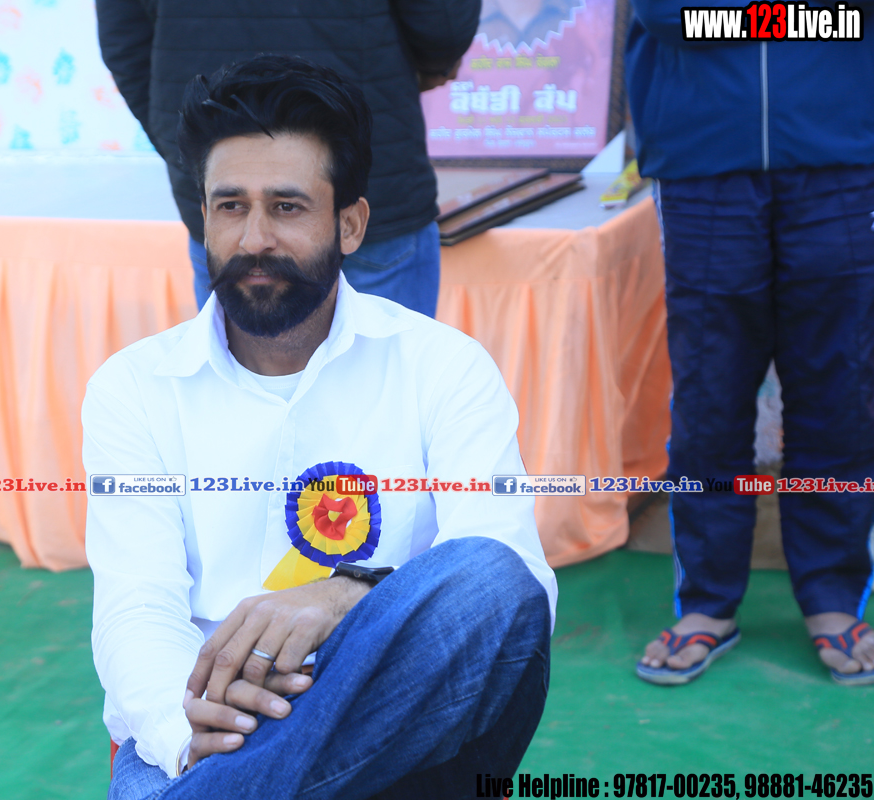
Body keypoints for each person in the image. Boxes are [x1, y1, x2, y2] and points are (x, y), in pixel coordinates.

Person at [82, 56, 557, 799]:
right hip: (206, 728)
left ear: (351, 224)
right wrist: (189, 737)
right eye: (231, 206)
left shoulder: (443, 367)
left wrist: (347, 595)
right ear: (203, 217)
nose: (255, 237)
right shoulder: (134, 388)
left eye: (287, 207)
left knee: (490, 576)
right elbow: (135, 606)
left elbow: (512, 590)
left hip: (394, 716)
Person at [625, 0, 874, 685]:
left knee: (841, 387)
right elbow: (672, 14)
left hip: (842, 148)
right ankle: (707, 602)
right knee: (710, 391)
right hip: (704, 154)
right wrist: (814, 18)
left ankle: (832, 596)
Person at [96, 0, 482, 318]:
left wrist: (190, 149)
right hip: (371, 181)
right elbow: (442, 23)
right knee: (389, 379)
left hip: (262, 191)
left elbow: (124, 40)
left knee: (241, 385)